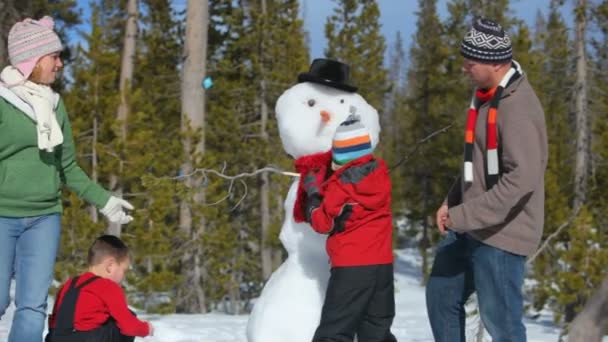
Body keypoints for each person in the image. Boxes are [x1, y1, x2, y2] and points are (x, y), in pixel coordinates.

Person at [0, 16, 134, 342]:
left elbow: (68, 167)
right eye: (54, 57)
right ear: (32, 60)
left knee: (32, 307)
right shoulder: (3, 103)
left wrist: (106, 200)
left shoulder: (55, 105)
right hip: (2, 215)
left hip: (45, 217)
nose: (60, 64)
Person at [425, 17, 548, 342]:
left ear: (493, 63)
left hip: (503, 235)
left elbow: (522, 179)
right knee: (441, 296)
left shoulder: (517, 107)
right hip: (471, 224)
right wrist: (452, 200)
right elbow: (475, 162)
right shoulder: (486, 97)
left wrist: (462, 214)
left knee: (503, 325)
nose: (464, 67)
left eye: (470, 61)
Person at [301, 115, 396, 342]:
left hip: (351, 268)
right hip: (382, 266)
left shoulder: (341, 186)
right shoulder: (381, 175)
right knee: (376, 330)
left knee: (334, 332)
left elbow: (323, 222)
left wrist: (313, 195)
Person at [46, 235, 153, 341]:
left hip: (55, 338)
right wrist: (147, 329)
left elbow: (54, 321)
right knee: (129, 315)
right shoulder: (107, 286)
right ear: (110, 266)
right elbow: (129, 327)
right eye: (124, 271)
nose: (124, 277)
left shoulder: (68, 284)